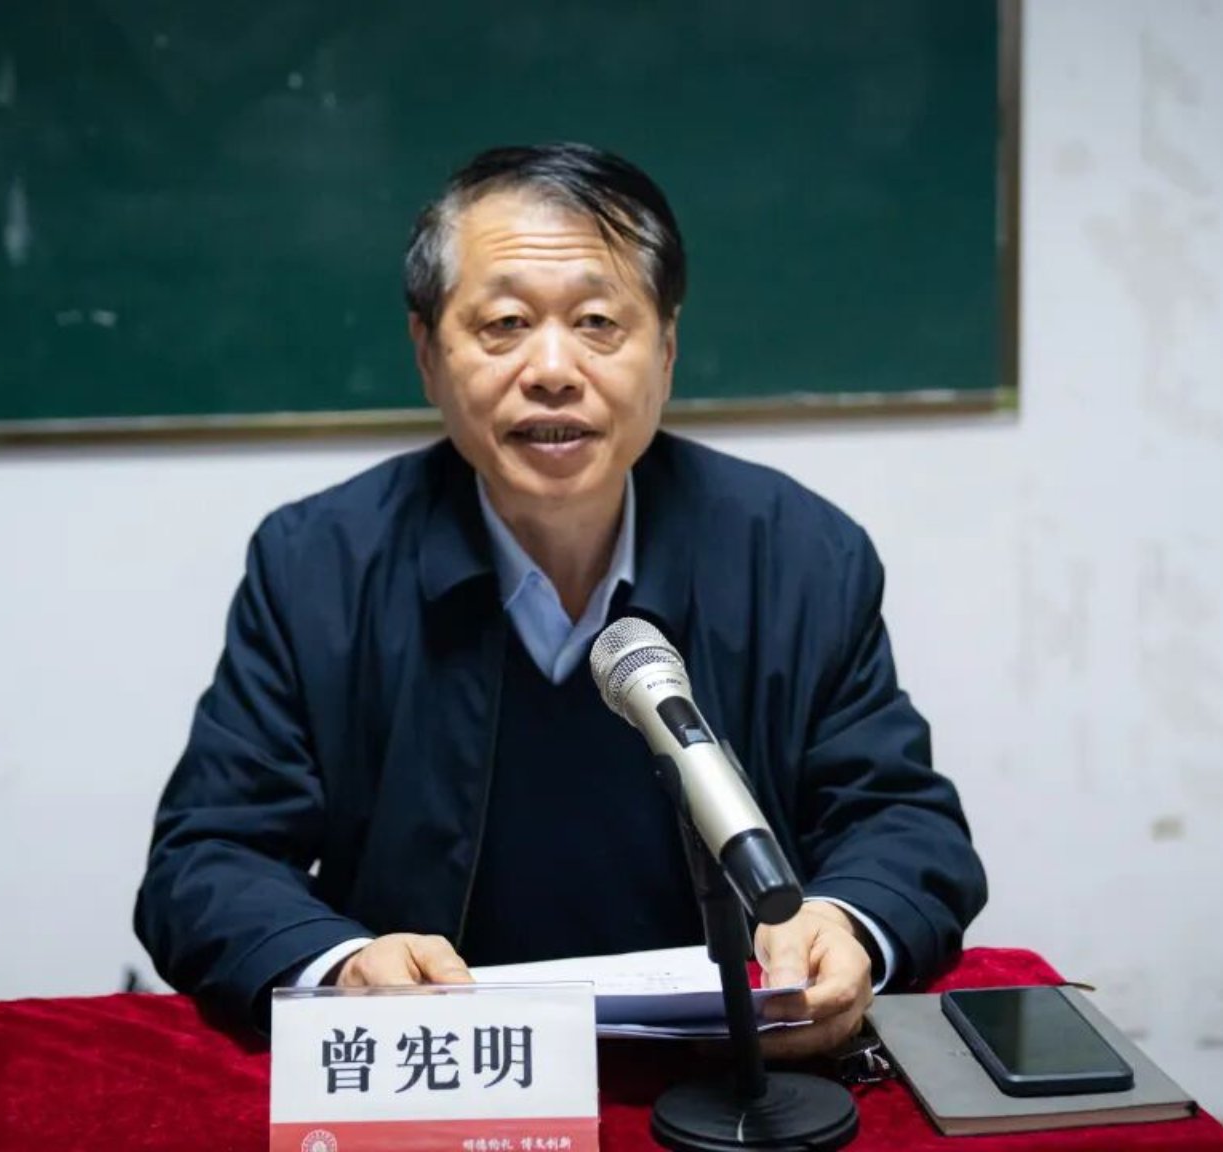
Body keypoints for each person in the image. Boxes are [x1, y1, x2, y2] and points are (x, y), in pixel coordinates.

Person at [135, 142, 986, 1058]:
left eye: (597, 323)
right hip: (444, 1076)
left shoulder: (800, 556)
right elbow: (207, 859)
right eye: (504, 324)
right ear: (427, 356)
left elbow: (903, 823)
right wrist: (343, 969)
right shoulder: (317, 566)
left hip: (724, 1076)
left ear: (666, 352)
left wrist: (846, 923)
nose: (551, 369)